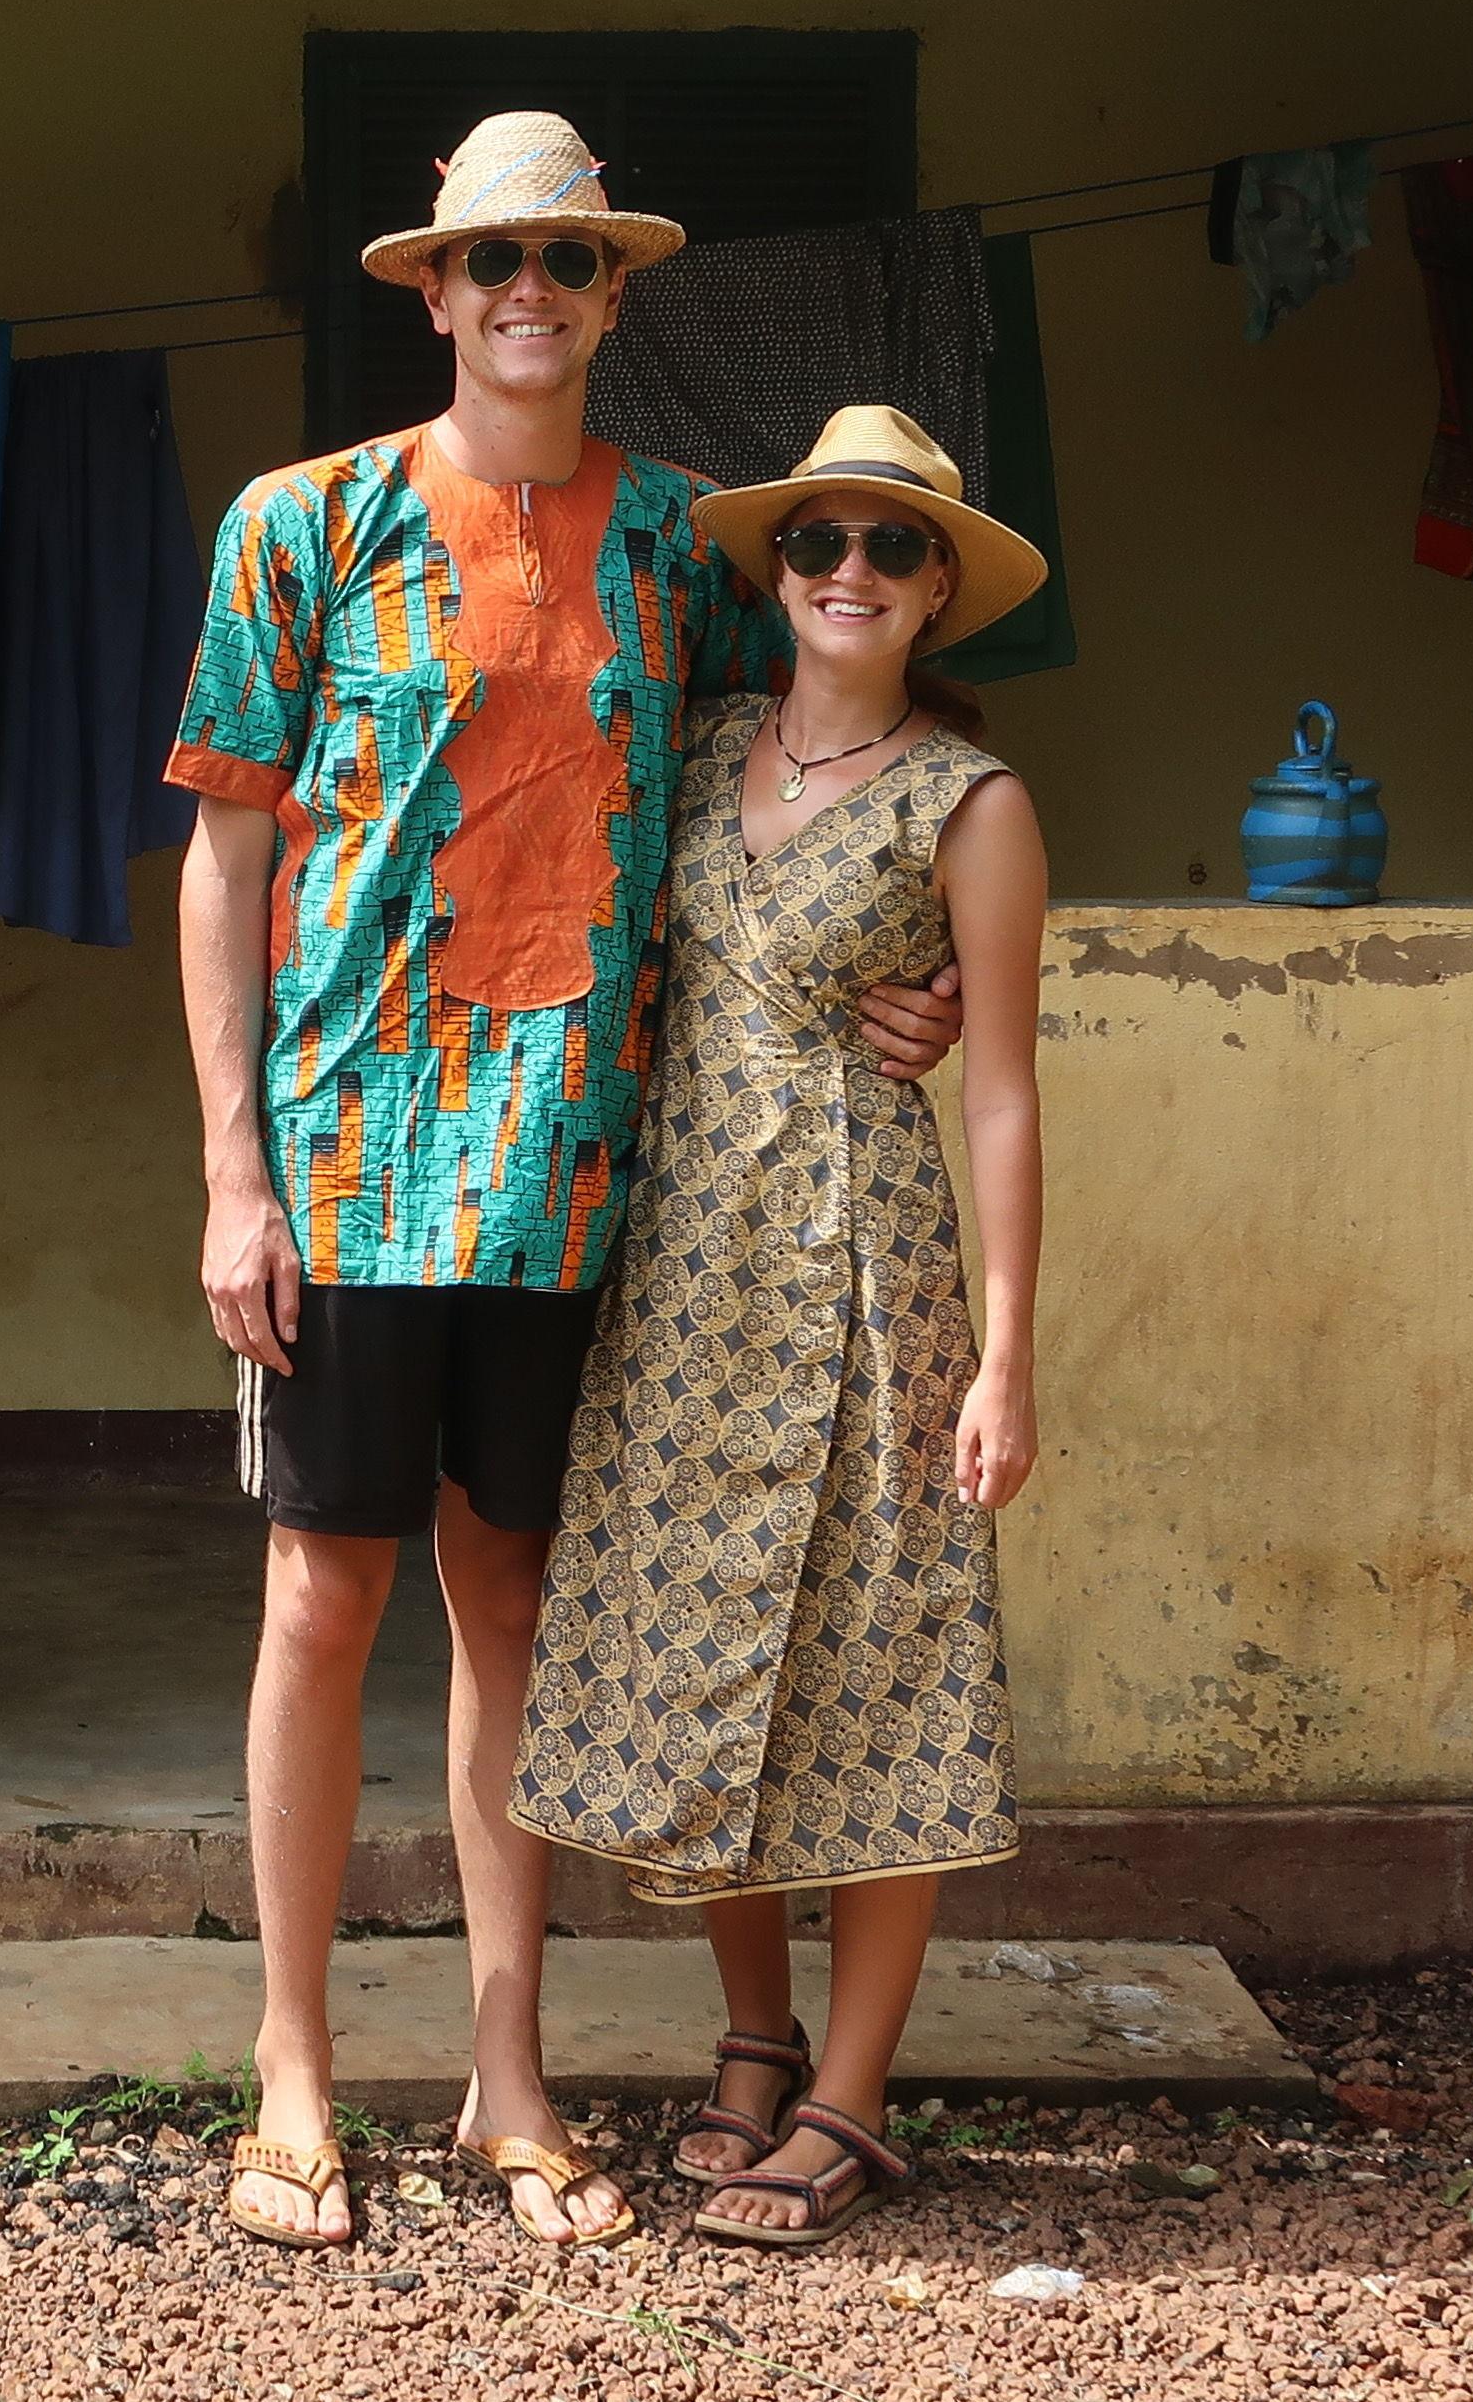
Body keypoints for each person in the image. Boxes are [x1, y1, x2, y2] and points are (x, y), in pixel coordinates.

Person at [167, 123, 957, 2252]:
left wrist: (915, 961)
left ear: (613, 295)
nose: (529, 287)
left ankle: (503, 2074)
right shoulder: (301, 526)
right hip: (347, 1165)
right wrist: (234, 1169)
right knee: (319, 1598)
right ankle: (292, 2064)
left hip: (574, 1177)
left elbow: (784, 788)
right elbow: (223, 850)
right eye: (491, 255)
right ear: (432, 290)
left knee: (506, 1598)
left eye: (568, 258)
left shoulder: (685, 559)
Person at [511, 406, 1054, 2245]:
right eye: (818, 540)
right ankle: (752, 2033)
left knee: (877, 1660)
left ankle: (850, 2093)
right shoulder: (708, 745)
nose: (847, 571)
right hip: (680, 1262)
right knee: (709, 1643)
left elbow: (998, 1089)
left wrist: (1005, 1352)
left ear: (938, 594)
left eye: (892, 550)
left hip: (859, 1258)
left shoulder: (967, 802)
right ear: (779, 570)